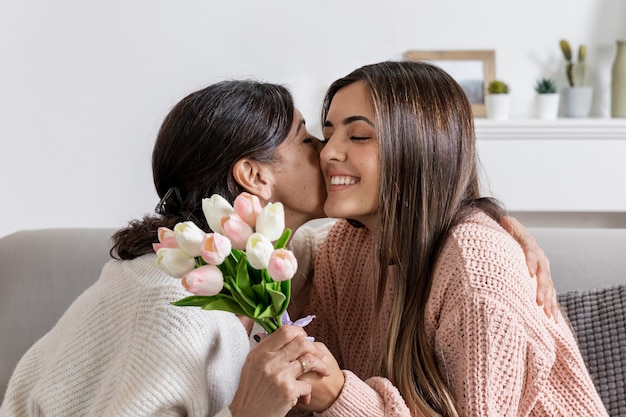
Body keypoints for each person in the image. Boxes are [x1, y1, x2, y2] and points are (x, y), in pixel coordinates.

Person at [0, 78, 556, 417]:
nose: (331, 152)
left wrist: (482, 218)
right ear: (254, 177)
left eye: (350, 136)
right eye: (312, 139)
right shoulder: (173, 303)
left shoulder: (251, 264)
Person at [257, 61, 608, 416]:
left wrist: (338, 397)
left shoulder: (476, 273)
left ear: (419, 148)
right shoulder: (342, 247)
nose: (328, 151)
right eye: (329, 133)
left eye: (358, 136)